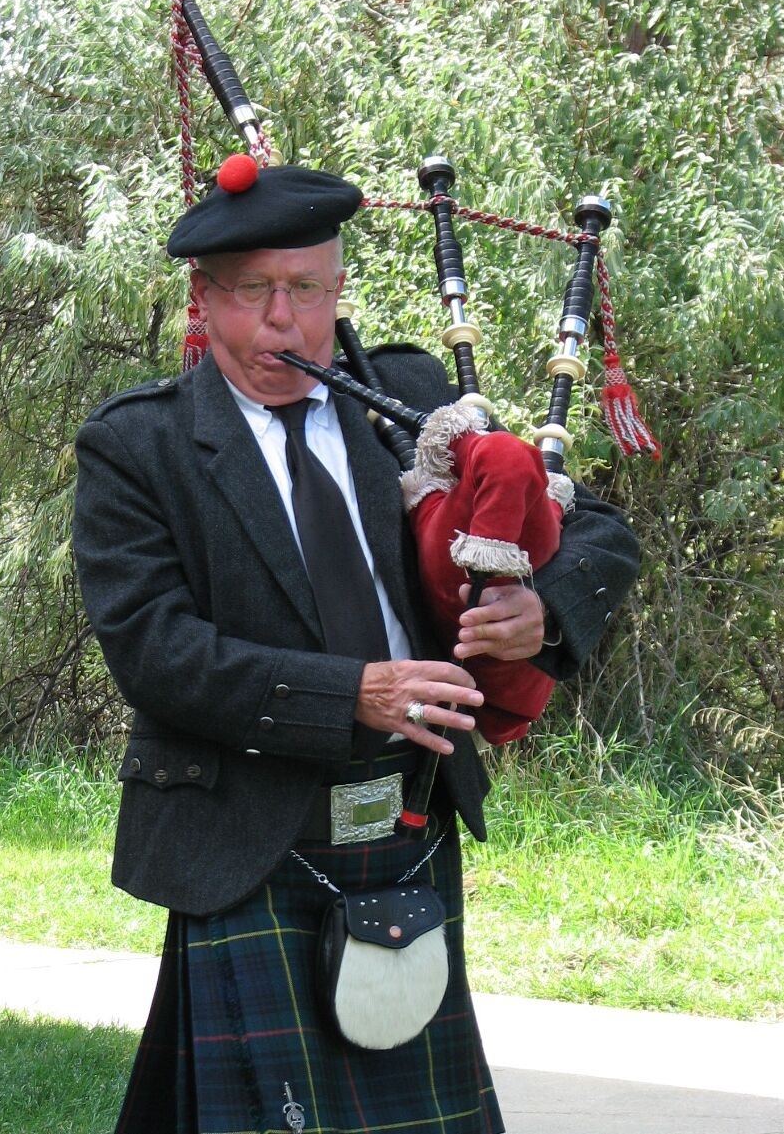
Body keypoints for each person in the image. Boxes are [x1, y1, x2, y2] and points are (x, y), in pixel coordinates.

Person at [72, 163, 640, 1134]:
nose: (280, 324)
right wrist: (353, 695)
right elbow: (156, 652)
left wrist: (541, 607)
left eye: (306, 291)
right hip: (250, 840)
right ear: (204, 302)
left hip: (408, 836)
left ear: (340, 287)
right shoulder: (141, 446)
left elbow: (597, 531)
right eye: (252, 293)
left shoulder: (408, 402)